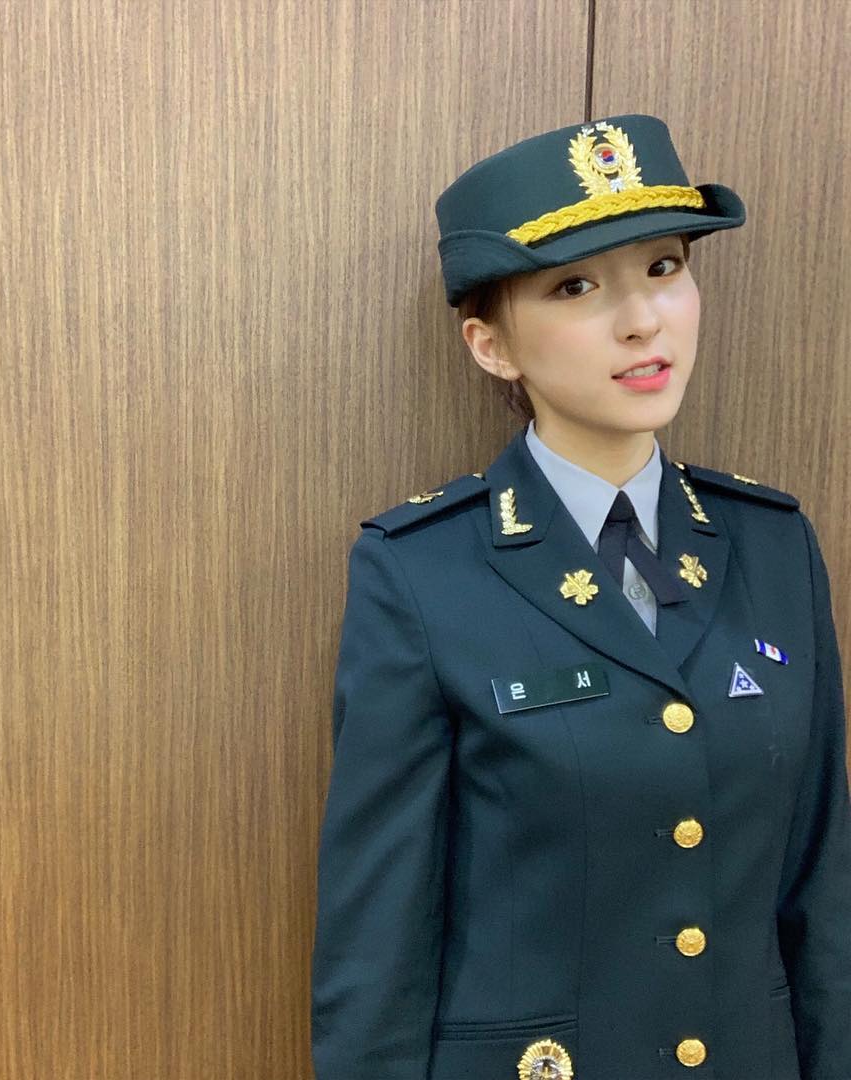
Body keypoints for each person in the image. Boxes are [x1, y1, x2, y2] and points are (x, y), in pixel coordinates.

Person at [310, 114, 851, 1080]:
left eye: (663, 267)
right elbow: (377, 944)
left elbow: (821, 884)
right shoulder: (422, 572)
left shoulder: (773, 546)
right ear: (491, 345)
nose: (643, 320)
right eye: (575, 287)